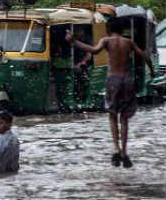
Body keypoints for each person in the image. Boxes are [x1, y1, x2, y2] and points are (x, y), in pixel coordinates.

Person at [65, 18, 154, 168]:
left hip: (113, 80)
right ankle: (124, 152)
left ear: (108, 29)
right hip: (127, 81)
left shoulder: (106, 40)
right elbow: (144, 55)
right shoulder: (128, 42)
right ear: (122, 30)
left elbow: (94, 50)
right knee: (124, 118)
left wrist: (74, 41)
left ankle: (116, 148)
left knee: (112, 115)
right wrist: (151, 71)